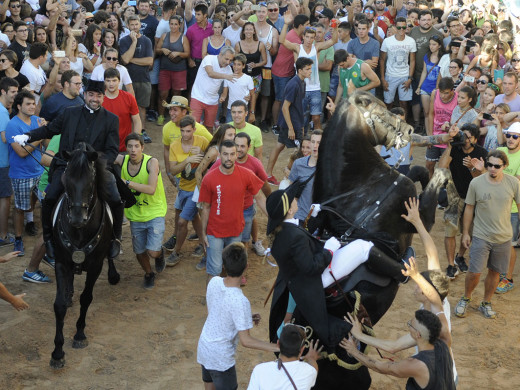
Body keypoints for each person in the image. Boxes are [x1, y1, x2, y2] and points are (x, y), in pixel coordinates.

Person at [267, 184, 410, 352]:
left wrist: (314, 216)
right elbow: (312, 267)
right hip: (316, 280)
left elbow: (301, 233)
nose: (296, 199)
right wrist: (329, 249)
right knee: (362, 247)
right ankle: (402, 274)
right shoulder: (293, 235)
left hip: (301, 282)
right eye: (293, 200)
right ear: (289, 210)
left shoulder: (282, 231)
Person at [12, 80, 123, 265]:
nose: (95, 99)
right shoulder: (69, 113)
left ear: (103, 97)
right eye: (91, 95)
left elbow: (112, 151)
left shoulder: (111, 119)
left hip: (96, 168)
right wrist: (29, 136)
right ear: (85, 95)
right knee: (49, 198)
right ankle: (49, 239)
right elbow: (49, 129)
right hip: (68, 166)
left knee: (116, 199)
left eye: (98, 96)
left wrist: (96, 163)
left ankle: (115, 238)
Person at [197, 242, 279, 390]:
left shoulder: (213, 281)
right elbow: (246, 341)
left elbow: (215, 313)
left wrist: (243, 318)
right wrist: (276, 348)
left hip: (204, 347)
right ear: (246, 266)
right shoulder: (241, 301)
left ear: (224, 264)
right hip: (221, 358)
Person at [455, 149, 520, 319]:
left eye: (496, 166)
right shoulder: (476, 183)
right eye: (489, 164)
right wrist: (466, 233)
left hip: (503, 238)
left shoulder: (514, 183)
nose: (492, 168)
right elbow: (469, 208)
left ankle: (486, 302)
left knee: (495, 272)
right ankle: (466, 298)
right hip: (481, 236)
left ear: (504, 166)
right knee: (474, 272)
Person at [199, 140, 265, 282]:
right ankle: (213, 302)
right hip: (214, 232)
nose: (229, 158)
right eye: (225, 154)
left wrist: (273, 216)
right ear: (219, 155)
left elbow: (259, 197)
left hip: (235, 231)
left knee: (232, 270)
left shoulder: (246, 174)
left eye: (232, 154)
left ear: (236, 155)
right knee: (214, 271)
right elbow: (205, 207)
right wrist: (203, 234)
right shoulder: (209, 178)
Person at [341, 309, 455, 390]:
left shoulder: (416, 365)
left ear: (418, 335)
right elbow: (393, 346)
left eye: (410, 324)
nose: (408, 326)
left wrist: (354, 351)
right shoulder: (444, 342)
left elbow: (380, 367)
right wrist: (360, 336)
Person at [114, 133, 167, 290]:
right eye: (129, 146)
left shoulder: (152, 162)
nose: (133, 150)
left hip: (155, 212)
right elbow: (104, 156)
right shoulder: (122, 160)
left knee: (152, 251)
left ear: (142, 148)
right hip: (135, 215)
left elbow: (151, 189)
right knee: (139, 251)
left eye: (137, 146)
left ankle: (159, 253)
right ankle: (149, 273)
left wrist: (126, 183)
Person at [161, 96, 213, 252]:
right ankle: (187, 237)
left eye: (175, 109)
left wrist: (203, 153)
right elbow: (166, 149)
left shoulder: (200, 130)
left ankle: (192, 242)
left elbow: (215, 148)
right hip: (180, 178)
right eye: (170, 109)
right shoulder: (167, 128)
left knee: (190, 213)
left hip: (197, 182)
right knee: (183, 210)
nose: (171, 113)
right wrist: (170, 174)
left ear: (185, 111)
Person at [438, 123, 487, 279]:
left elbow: (481, 180)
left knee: (470, 231)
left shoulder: (481, 152)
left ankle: (460, 255)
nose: (464, 139)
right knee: (450, 230)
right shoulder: (456, 149)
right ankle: (451, 264)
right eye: (462, 135)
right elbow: (442, 166)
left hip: (473, 198)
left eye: (467, 136)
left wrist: (472, 169)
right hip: (454, 194)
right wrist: (450, 146)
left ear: (474, 139)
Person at [279, 12, 337, 130]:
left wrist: (335, 27)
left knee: (316, 118)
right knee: (302, 118)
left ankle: (318, 143)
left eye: (312, 37)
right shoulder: (297, 48)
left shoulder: (317, 47)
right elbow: (282, 41)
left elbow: (333, 41)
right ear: (303, 37)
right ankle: (302, 143)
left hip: (315, 88)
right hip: (301, 88)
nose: (309, 40)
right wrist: (285, 24)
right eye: (307, 37)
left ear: (314, 38)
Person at [6, 91, 45, 258]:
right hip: (21, 174)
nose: (32, 107)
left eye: (33, 104)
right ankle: (19, 239)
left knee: (46, 203)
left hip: (40, 171)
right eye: (28, 104)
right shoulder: (12, 125)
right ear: (19, 106)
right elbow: (22, 153)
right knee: (20, 208)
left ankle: (47, 238)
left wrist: (45, 131)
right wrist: (41, 134)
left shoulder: (37, 121)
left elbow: (48, 143)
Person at [166, 115, 208, 266]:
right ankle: (206, 252)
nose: (185, 134)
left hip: (197, 190)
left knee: (182, 221)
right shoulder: (175, 145)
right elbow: (172, 169)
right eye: (182, 131)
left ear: (194, 130)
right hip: (182, 187)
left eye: (188, 131)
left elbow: (214, 159)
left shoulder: (202, 142)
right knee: (196, 220)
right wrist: (187, 161)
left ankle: (176, 252)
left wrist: (203, 155)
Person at [266, 57, 313, 185]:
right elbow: (285, 107)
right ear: (300, 70)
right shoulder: (294, 84)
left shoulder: (301, 82)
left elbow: (296, 106)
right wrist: (291, 128)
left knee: (280, 146)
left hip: (294, 123)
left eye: (310, 68)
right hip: (290, 124)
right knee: (299, 151)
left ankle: (268, 174)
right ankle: (289, 175)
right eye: (307, 69)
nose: (310, 71)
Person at [247, 325, 321, 390]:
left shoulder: (260, 370)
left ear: (278, 344)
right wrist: (311, 358)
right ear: (302, 349)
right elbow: (314, 366)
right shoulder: (309, 372)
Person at [271, 14, 310, 135]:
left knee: (282, 100)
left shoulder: (295, 35)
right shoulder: (295, 39)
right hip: (282, 72)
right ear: (300, 26)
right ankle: (277, 125)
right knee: (280, 100)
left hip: (283, 71)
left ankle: (277, 124)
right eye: (307, 25)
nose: (309, 26)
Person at [494, 122, 520, 294]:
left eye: (515, 136)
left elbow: (516, 183)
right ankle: (499, 273)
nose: (510, 139)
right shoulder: (500, 152)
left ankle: (508, 278)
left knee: (509, 244)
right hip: (494, 206)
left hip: (512, 208)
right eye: (508, 135)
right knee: (497, 242)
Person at [120, 15, 154, 143]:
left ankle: (141, 132)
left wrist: (131, 60)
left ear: (140, 25)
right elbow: (125, 60)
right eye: (132, 24)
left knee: (142, 107)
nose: (134, 27)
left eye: (136, 24)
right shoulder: (123, 41)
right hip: (128, 80)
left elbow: (149, 61)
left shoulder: (147, 41)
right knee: (127, 107)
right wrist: (134, 42)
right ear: (128, 26)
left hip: (144, 79)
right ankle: (129, 132)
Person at [190, 46, 236, 133]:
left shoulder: (228, 68)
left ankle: (208, 146)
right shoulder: (209, 59)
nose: (228, 62)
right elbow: (210, 73)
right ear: (220, 54)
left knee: (209, 127)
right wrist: (226, 76)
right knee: (193, 125)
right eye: (226, 59)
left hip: (213, 100)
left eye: (230, 60)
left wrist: (224, 94)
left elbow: (227, 84)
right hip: (197, 97)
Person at [409, 10, 442, 132]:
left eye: (429, 19)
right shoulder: (414, 31)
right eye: (423, 19)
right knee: (416, 100)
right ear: (419, 21)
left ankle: (429, 127)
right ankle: (417, 124)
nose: (426, 22)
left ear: (432, 19)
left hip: (432, 76)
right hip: (415, 71)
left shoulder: (437, 33)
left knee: (431, 104)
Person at [156, 15, 190, 126]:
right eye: (172, 24)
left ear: (179, 25)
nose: (173, 26)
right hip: (165, 69)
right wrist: (162, 50)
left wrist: (178, 53)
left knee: (176, 95)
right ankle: (161, 115)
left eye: (176, 24)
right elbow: (157, 49)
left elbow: (187, 53)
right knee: (163, 93)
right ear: (169, 24)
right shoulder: (164, 35)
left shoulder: (183, 37)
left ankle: (175, 117)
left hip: (179, 70)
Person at [380, 17, 416, 116]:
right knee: (388, 103)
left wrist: (410, 78)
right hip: (390, 76)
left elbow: (412, 61)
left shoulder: (411, 41)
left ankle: (404, 124)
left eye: (404, 27)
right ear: (395, 27)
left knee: (404, 104)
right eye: (399, 27)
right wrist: (383, 79)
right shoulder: (387, 41)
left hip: (405, 76)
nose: (401, 30)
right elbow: (382, 60)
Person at [103, 67, 142, 152]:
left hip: (124, 148)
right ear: (104, 82)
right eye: (108, 81)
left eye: (114, 80)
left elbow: (137, 121)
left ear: (119, 81)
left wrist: (135, 142)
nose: (111, 84)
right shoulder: (99, 99)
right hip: (104, 148)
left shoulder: (129, 98)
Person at [288, 130, 321, 223]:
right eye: (313, 142)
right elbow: (291, 191)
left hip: (319, 221)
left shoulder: (329, 167)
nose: (315, 146)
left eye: (319, 142)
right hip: (300, 217)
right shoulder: (298, 164)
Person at [0, 77, 18, 248]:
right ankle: (3, 235)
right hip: (2, 162)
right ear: (3, 92)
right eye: (12, 92)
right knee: (5, 199)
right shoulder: (2, 112)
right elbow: (6, 138)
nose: (15, 95)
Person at [219, 54, 255, 123]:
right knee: (230, 129)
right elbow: (224, 93)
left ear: (243, 66)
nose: (236, 67)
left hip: (243, 110)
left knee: (242, 131)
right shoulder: (228, 77)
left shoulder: (248, 78)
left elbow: (253, 95)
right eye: (234, 64)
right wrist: (222, 98)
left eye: (239, 64)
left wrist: (252, 112)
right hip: (230, 109)